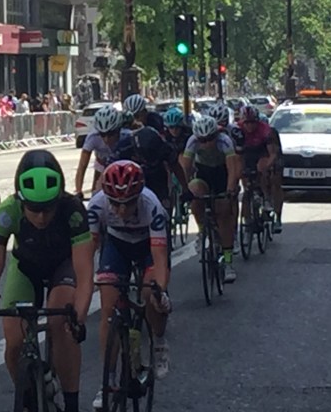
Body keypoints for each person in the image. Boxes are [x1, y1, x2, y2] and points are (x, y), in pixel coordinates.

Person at [0, 150, 92, 412]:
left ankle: (71, 404)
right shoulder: (7, 211)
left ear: (59, 198)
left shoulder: (73, 210)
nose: (41, 217)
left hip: (63, 266)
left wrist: (80, 318)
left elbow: (84, 272)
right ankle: (29, 396)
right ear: (21, 200)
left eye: (48, 209)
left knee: (60, 322)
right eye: (34, 209)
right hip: (26, 267)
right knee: (14, 342)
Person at [87, 161, 171, 409]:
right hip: (117, 244)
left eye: (128, 204)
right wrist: (87, 281)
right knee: (107, 311)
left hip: (148, 245)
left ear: (138, 196)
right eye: (115, 204)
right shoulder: (96, 204)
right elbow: (87, 250)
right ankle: (107, 381)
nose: (121, 211)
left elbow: (159, 258)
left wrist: (160, 290)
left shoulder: (151, 206)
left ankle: (159, 340)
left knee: (150, 294)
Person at [180, 116, 242, 282]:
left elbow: (232, 170)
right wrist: (184, 190)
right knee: (195, 192)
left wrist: (230, 190)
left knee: (223, 214)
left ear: (216, 134)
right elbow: (185, 167)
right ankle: (202, 230)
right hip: (204, 173)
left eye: (210, 139)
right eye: (203, 140)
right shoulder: (192, 141)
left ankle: (228, 263)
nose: (206, 143)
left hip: (222, 174)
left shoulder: (225, 141)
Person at [237, 106, 284, 233]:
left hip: (264, 151)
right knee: (246, 187)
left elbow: (273, 154)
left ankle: (274, 210)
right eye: (247, 123)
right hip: (247, 153)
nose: (250, 126)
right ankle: (247, 220)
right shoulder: (237, 129)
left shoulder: (266, 130)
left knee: (271, 176)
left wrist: (267, 167)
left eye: (253, 122)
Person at [75, 106, 132, 197]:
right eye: (103, 134)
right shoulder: (93, 137)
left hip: (122, 165)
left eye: (110, 134)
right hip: (101, 165)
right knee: (96, 195)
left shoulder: (127, 135)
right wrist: (79, 191)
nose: (106, 139)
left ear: (118, 130)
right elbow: (82, 166)